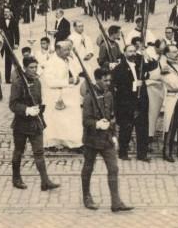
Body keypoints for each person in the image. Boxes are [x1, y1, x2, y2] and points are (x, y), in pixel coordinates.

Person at [80, 67, 133, 212]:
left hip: (107, 138)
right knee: (88, 168)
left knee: (113, 168)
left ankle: (116, 202)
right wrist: (97, 124)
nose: (108, 83)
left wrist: (114, 135)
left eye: (109, 80)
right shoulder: (89, 96)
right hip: (92, 139)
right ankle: (86, 197)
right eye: (105, 80)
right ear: (97, 80)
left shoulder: (109, 95)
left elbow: (112, 116)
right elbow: (85, 121)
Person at [8, 56, 57, 191]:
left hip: (35, 123)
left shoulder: (37, 82)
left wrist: (40, 109)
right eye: (31, 67)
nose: (34, 70)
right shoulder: (18, 83)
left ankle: (45, 181)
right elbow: (12, 104)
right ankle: (16, 178)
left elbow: (38, 100)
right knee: (19, 151)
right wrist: (27, 110)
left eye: (36, 67)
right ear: (24, 68)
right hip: (21, 124)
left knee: (39, 152)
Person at [41, 40, 84, 151]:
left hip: (71, 95)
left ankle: (74, 143)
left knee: (72, 121)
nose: (68, 52)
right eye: (65, 50)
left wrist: (76, 79)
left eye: (69, 49)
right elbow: (49, 82)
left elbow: (76, 73)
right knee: (56, 122)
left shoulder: (69, 60)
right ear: (58, 50)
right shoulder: (51, 62)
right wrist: (67, 81)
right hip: (57, 96)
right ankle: (52, 143)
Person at [111, 41, 149, 161]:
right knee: (126, 129)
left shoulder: (140, 64)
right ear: (125, 53)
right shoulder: (119, 68)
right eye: (130, 51)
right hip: (126, 103)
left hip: (141, 102)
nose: (133, 54)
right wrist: (134, 85)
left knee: (142, 129)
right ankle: (123, 153)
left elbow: (153, 64)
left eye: (134, 51)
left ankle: (142, 154)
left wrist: (145, 53)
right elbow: (118, 87)